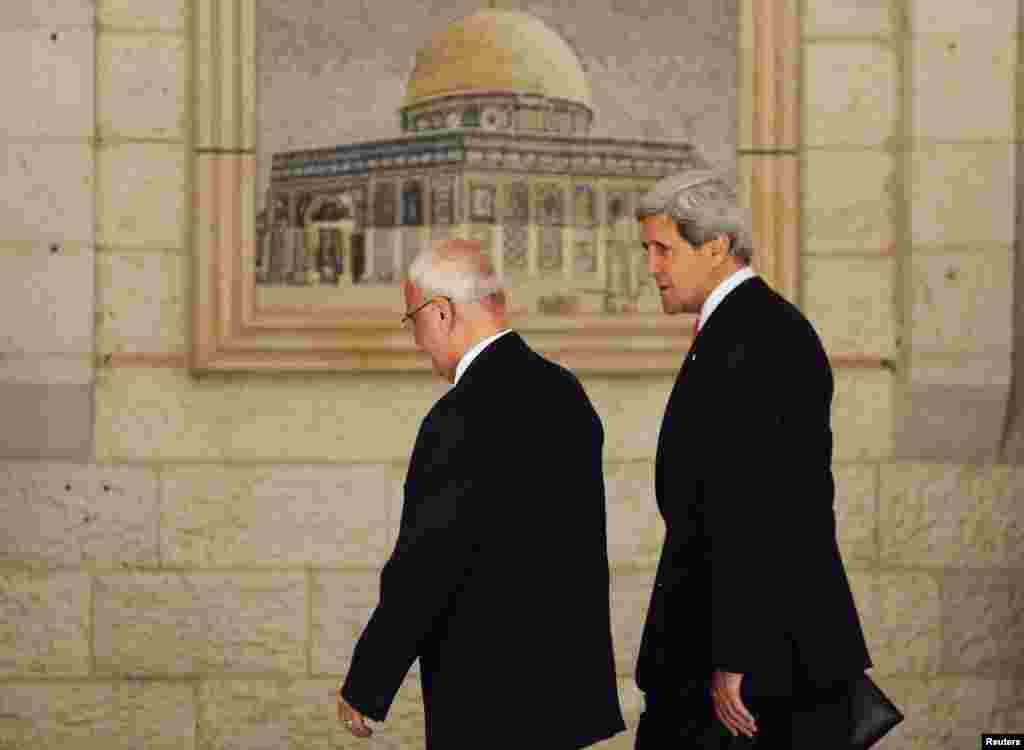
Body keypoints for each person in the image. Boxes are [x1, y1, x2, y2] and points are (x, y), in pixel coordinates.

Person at [336, 239, 626, 749]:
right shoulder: (566, 394)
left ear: (441, 312)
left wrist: (368, 683)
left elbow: (425, 564)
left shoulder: (458, 417)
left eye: (413, 321)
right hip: (564, 701)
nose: (416, 341)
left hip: (486, 703)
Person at [633, 170, 873, 748]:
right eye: (647, 251)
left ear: (715, 246)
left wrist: (737, 650)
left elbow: (770, 504)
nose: (652, 267)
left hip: (749, 667)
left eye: (663, 249)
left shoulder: (760, 336)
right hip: (727, 648)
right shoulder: (739, 329)